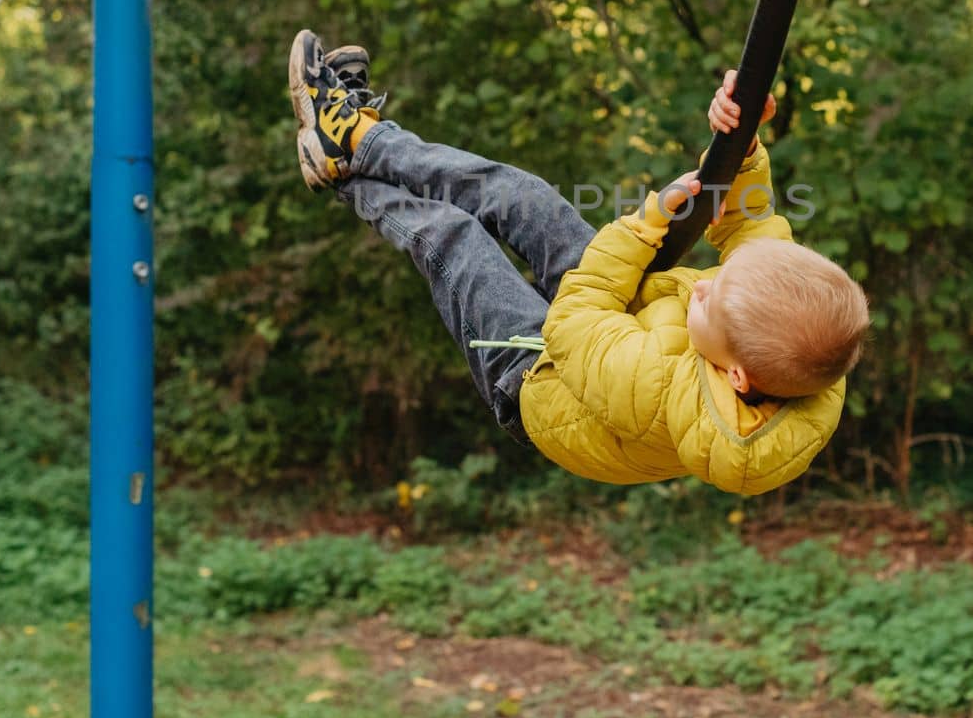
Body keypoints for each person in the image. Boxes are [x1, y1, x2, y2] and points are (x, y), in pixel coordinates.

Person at [288, 30, 868, 495]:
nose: (701, 288)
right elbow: (753, 228)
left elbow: (572, 318)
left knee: (454, 237)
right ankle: (357, 138)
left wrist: (646, 226)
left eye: (709, 299)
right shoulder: (796, 330)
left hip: (544, 374)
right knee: (528, 199)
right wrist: (740, 141)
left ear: (734, 377)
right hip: (616, 316)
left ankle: (343, 170)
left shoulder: (654, 386)